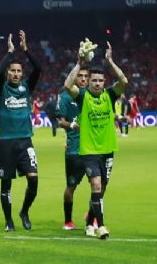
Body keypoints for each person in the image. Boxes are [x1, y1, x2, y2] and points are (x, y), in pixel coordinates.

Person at [62, 40, 129, 240]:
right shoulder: (82, 96)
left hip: (108, 149)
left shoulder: (109, 95)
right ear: (89, 81)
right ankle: (100, 225)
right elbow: (67, 85)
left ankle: (89, 220)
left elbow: (124, 81)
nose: (98, 84)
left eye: (101, 81)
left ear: (104, 82)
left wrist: (110, 61)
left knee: (101, 190)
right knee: (96, 186)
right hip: (89, 151)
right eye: (94, 81)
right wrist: (79, 63)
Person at [0, 30, 41, 232]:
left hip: (25, 142)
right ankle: (8, 221)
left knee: (33, 179)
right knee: (6, 185)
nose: (15, 74)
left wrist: (26, 50)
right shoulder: (2, 87)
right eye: (12, 71)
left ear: (22, 74)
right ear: (8, 73)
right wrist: (10, 53)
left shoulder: (26, 88)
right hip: (5, 143)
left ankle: (24, 211)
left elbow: (38, 69)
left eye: (18, 71)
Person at [56, 66, 89, 230]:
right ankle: (68, 221)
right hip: (74, 150)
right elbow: (60, 121)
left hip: (92, 150)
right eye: (80, 76)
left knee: (99, 184)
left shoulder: (92, 96)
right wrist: (73, 125)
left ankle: (92, 214)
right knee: (71, 186)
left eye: (85, 76)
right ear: (74, 78)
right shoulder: (64, 98)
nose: (83, 79)